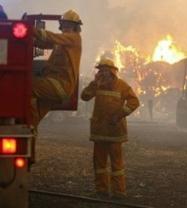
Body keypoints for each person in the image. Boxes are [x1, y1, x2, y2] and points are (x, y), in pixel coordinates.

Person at [81, 57, 140, 198]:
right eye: (100, 71)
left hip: (115, 132)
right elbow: (84, 96)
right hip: (100, 132)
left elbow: (134, 102)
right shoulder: (97, 85)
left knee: (116, 164)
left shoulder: (122, 86)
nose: (102, 74)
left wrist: (119, 115)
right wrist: (94, 83)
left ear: (112, 72)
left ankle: (119, 191)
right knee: (99, 163)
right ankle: (101, 190)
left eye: (105, 71)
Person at [30, 9, 82, 163]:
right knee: (31, 121)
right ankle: (29, 156)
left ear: (75, 27)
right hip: (54, 85)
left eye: (69, 25)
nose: (66, 27)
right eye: (64, 24)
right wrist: (30, 39)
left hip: (60, 85)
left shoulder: (74, 39)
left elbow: (52, 37)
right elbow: (47, 42)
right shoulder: (62, 43)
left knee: (27, 86)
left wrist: (31, 30)